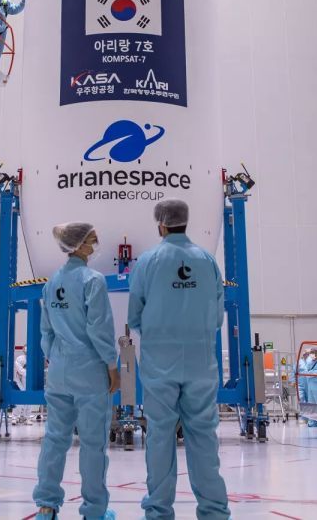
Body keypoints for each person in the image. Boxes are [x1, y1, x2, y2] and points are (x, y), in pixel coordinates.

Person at [128, 199, 231, 520]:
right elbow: (218, 316)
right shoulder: (207, 261)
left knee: (160, 435)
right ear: (186, 222)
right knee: (203, 437)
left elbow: (134, 315)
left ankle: (159, 511)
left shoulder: (148, 262)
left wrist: (159, 333)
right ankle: (214, 512)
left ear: (161, 224)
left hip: (159, 363)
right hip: (201, 362)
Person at [32, 222, 119, 520]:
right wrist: (111, 365)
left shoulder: (51, 283)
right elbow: (100, 329)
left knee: (55, 439)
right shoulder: (93, 281)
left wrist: (56, 359)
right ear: (78, 245)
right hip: (90, 371)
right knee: (93, 443)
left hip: (58, 371)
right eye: (92, 240)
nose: (95, 246)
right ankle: (94, 510)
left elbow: (46, 333)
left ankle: (46, 507)